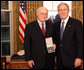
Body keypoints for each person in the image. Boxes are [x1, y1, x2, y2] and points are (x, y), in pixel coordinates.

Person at [53, 3, 83, 69]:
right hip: (59, 61)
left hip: (73, 60)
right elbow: (56, 41)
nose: (62, 12)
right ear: (58, 12)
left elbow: (80, 42)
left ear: (68, 11)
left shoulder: (77, 23)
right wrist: (55, 56)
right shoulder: (55, 25)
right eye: (60, 10)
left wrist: (79, 57)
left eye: (64, 9)